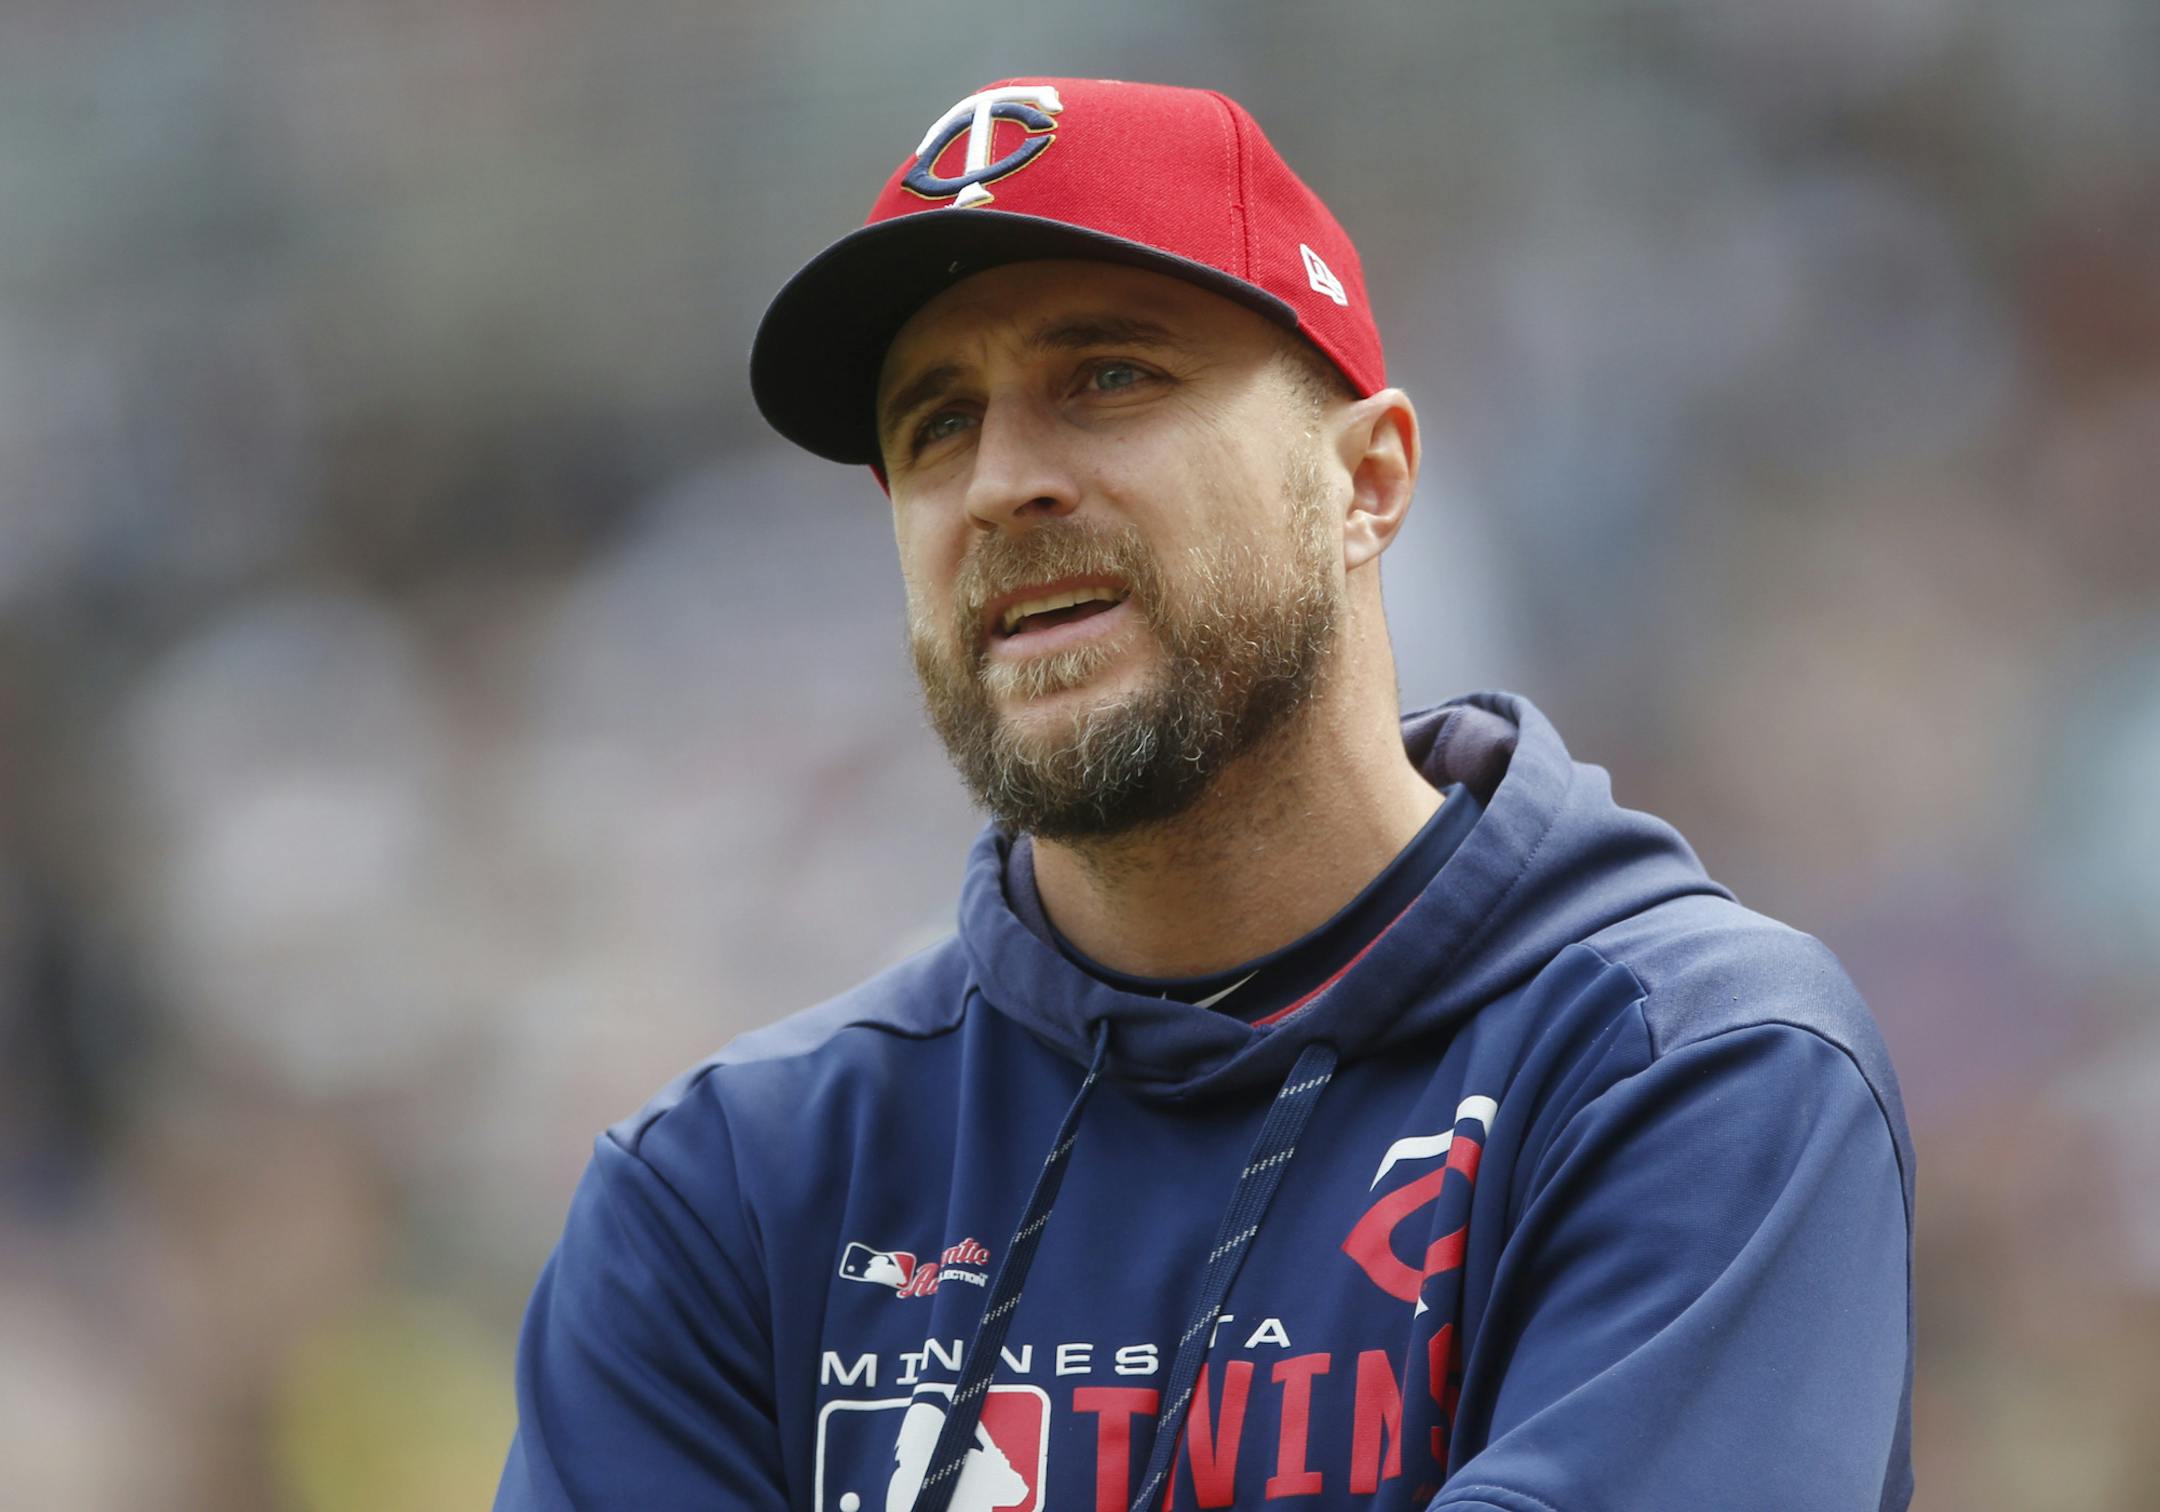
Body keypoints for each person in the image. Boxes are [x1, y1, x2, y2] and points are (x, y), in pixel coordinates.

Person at [494, 77, 1915, 1512]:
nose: (1001, 483)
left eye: (1109, 375)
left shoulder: (1684, 1071)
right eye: (935, 423)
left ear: (1366, 479)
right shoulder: (727, 1192)